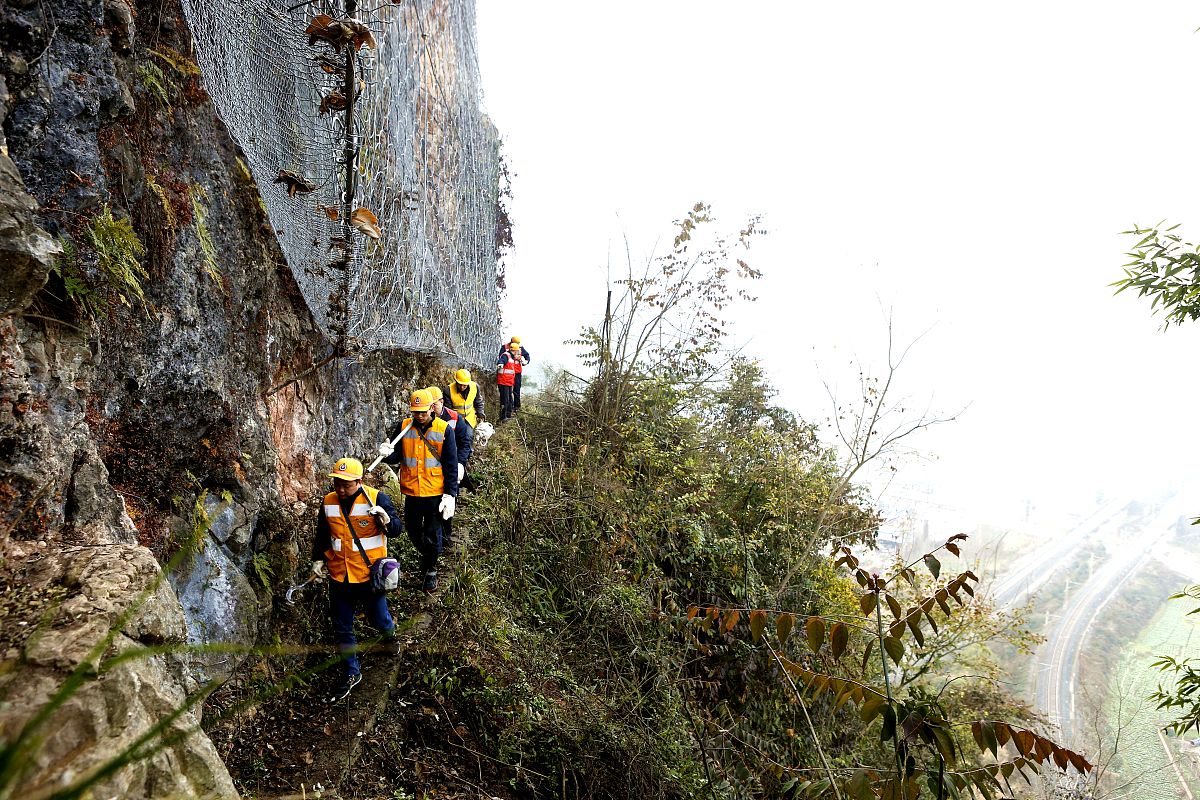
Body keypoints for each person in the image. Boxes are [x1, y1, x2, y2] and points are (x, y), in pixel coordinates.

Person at [311, 456, 403, 703]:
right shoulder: (328, 502)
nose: (341, 489)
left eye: (346, 484)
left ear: (359, 481)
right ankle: (351, 671)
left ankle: (389, 637)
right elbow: (323, 533)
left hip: (368, 575)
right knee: (342, 626)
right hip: (339, 575)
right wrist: (318, 559)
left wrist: (386, 521)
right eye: (337, 483)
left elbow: (397, 529)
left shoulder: (376, 498)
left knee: (379, 617)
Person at [377, 389, 458, 592]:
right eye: (416, 412)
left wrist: (450, 494)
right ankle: (431, 555)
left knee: (431, 533)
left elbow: (451, 464)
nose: (420, 416)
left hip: (434, 492)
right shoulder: (404, 427)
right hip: (412, 491)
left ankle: (430, 570)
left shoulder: (444, 429)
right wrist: (386, 453)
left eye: (423, 412)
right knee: (413, 531)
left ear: (431, 409)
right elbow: (396, 456)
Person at [497, 337, 530, 412]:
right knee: (507, 393)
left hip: (517, 372)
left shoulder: (520, 348)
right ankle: (508, 408)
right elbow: (501, 358)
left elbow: (527, 356)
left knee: (516, 389)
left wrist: (526, 361)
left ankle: (516, 406)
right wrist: (501, 363)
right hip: (507, 374)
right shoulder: (505, 348)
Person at [496, 346, 518, 422]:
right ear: (514, 351)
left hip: (508, 382)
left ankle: (508, 415)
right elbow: (501, 360)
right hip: (503, 381)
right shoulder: (506, 355)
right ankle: (503, 417)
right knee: (504, 400)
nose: (517, 353)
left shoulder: (511, 358)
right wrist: (500, 364)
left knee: (509, 400)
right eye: (517, 352)